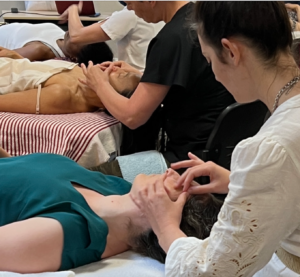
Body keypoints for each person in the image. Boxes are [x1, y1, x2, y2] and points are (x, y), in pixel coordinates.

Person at [130, 2, 300, 277]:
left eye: (209, 61)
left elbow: (212, 271)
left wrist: (165, 227)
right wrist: (241, 181)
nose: (215, 75)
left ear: (231, 52)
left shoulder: (270, 147)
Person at [0, 146, 222, 273]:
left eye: (183, 187)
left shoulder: (73, 232)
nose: (173, 174)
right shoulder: (118, 188)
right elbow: (19, 176)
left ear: (167, 219)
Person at [80, 1, 235, 163]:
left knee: (91, 176)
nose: (130, 8)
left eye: (130, 3)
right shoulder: (203, 19)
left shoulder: (170, 38)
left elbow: (132, 117)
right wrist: (144, 74)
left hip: (187, 160)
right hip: (222, 153)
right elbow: (194, 79)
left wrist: (99, 84)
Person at [0, 47, 140, 114]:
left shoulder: (62, 95)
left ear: (112, 97)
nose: (116, 67)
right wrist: (16, 58)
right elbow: (29, 75)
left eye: (122, 76)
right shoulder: (81, 72)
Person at [59, 2, 164, 71]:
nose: (129, 6)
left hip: (134, 79)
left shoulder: (131, 14)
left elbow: (76, 36)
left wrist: (73, 9)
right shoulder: (160, 10)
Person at [0, 22, 113, 65]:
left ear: (74, 58)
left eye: (78, 41)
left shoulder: (41, 50)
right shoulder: (63, 36)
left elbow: (4, 57)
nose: (76, 34)